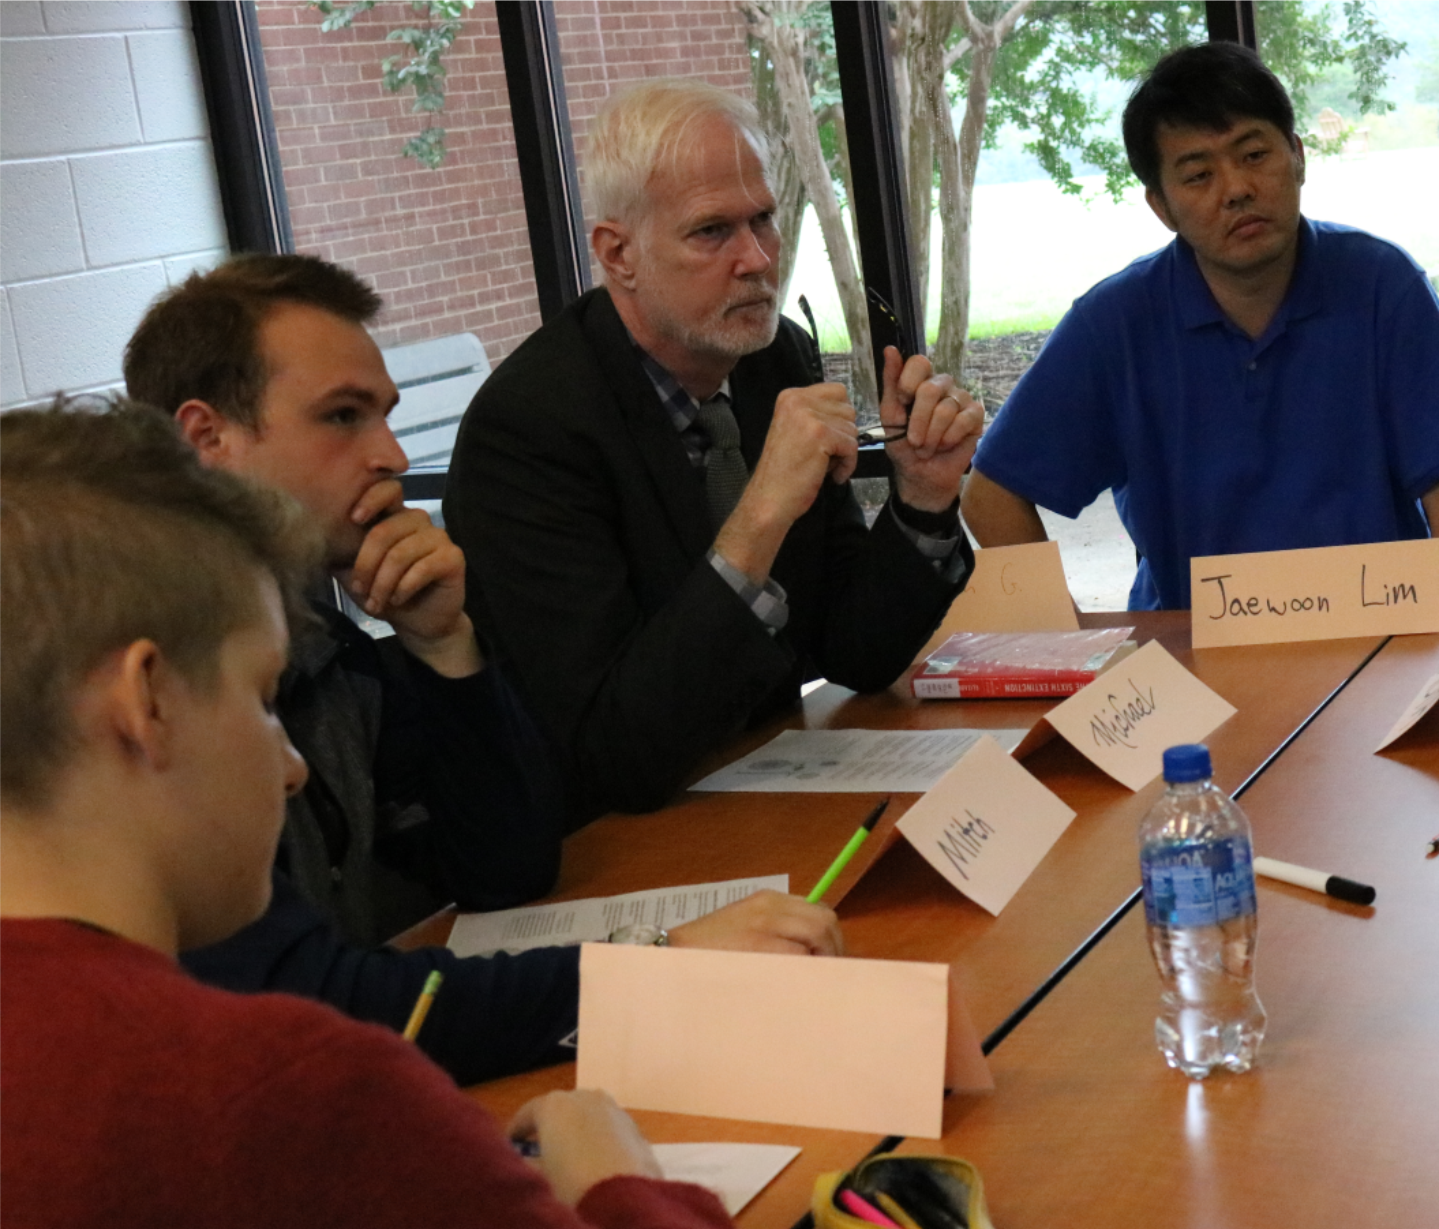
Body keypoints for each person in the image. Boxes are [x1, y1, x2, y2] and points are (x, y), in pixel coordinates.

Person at [0, 402, 733, 1228]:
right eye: (263, 697)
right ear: (148, 702)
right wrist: (619, 1182)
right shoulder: (295, 1091)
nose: (292, 765)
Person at [124, 255, 842, 1086]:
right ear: (205, 439)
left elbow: (506, 867)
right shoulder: (157, 682)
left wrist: (443, 646)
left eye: (385, 416)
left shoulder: (323, 638)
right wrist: (661, 964)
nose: (389, 453)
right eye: (342, 417)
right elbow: (313, 1001)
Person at [446, 79, 979, 821]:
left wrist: (921, 497)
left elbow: (852, 649)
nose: (758, 258)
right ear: (618, 254)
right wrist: (758, 518)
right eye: (712, 232)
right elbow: (611, 753)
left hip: (759, 790)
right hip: (609, 845)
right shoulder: (531, 431)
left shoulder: (772, 360)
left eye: (763, 219)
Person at [961, 41, 1439, 611]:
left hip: (1381, 637)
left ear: (1297, 156)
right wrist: (1074, 652)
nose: (1236, 189)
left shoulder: (1381, 286)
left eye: (1253, 155)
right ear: (1161, 207)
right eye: (1198, 175)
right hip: (1189, 658)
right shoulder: (1114, 324)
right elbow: (990, 496)